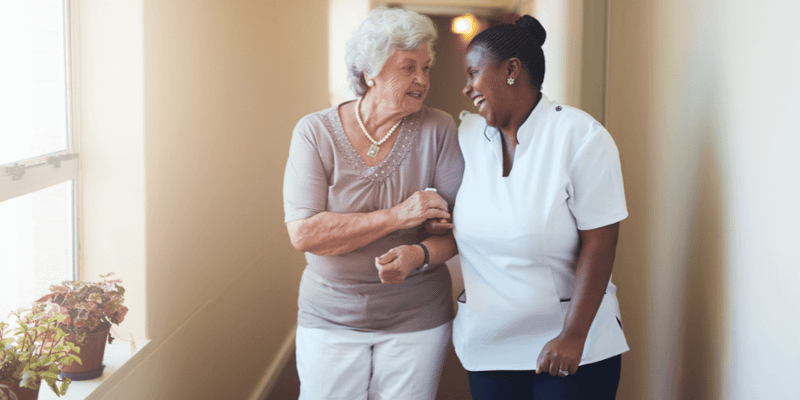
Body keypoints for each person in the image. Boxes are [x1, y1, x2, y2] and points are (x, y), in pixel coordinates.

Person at [282, 8, 464, 400]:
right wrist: (401, 215)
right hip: (329, 314)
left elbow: (457, 233)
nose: (422, 80)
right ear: (369, 72)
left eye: (426, 67)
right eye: (408, 67)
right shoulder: (315, 133)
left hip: (417, 316)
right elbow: (305, 233)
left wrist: (418, 253)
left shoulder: (440, 129)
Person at [451, 15, 628, 399]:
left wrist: (573, 335)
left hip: (569, 342)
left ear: (512, 69)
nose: (466, 88)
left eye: (473, 73)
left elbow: (600, 241)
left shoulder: (581, 137)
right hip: (488, 345)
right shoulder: (466, 137)